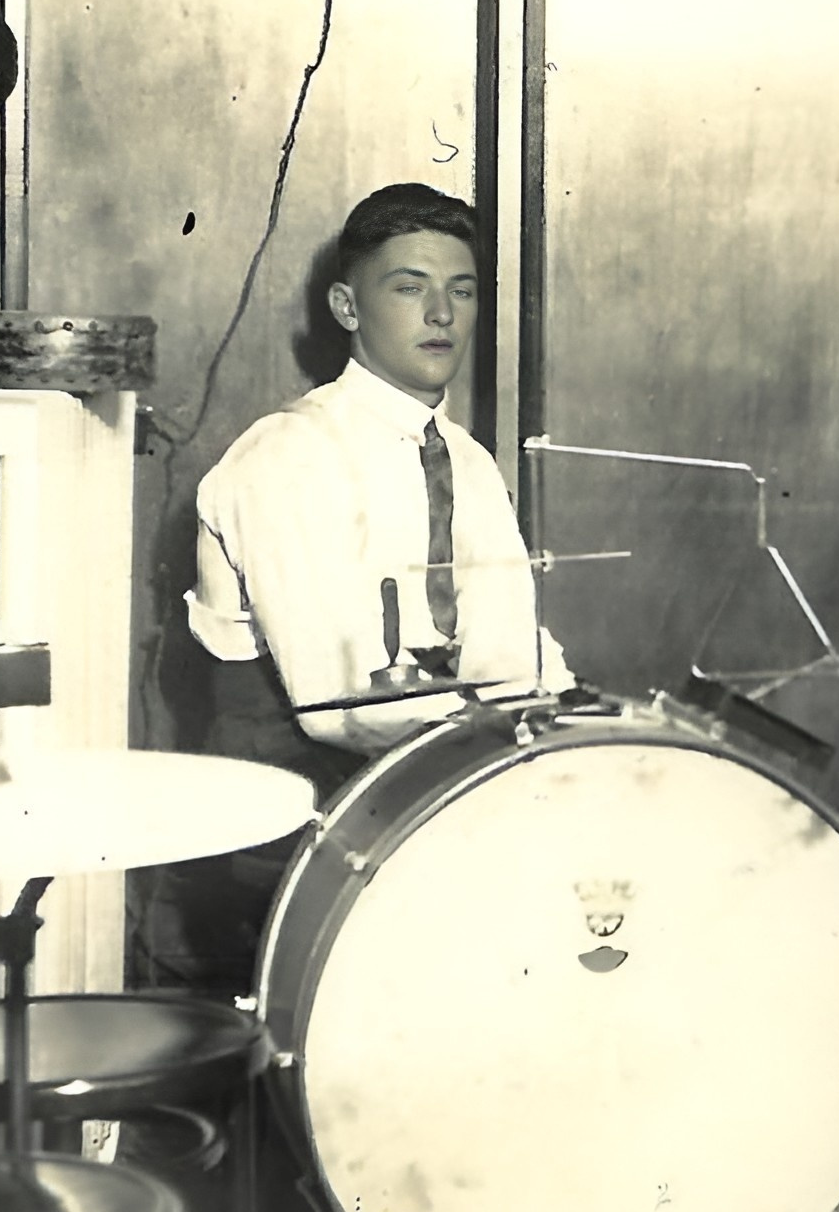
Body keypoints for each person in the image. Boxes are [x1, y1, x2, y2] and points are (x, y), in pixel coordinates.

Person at [186, 181, 569, 795]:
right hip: (285, 828)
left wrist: (566, 722)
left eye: (462, 291)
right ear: (347, 307)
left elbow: (510, 653)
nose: (442, 313)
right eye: (410, 287)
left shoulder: (466, 460)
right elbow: (347, 709)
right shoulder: (286, 458)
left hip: (430, 789)